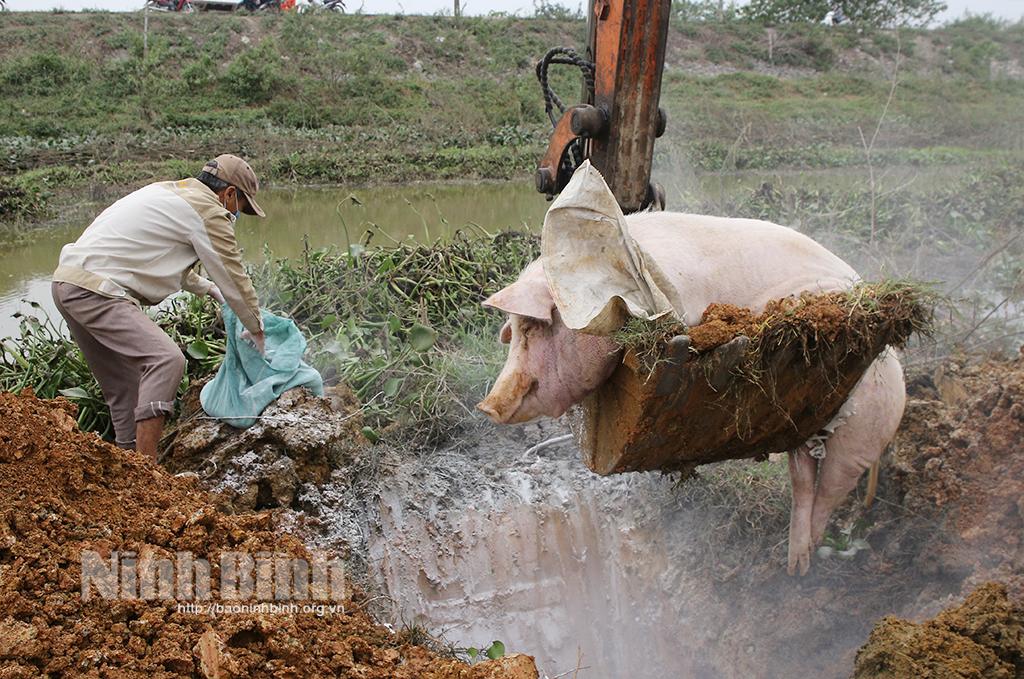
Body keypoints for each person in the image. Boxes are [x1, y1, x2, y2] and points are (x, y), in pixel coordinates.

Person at [51, 154, 266, 462]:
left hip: (67, 284)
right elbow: (232, 271)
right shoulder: (208, 209)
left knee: (124, 387)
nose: (237, 216)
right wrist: (256, 327)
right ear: (230, 194)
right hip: (98, 291)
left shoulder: (170, 192)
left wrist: (209, 288)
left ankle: (129, 468)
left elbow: (159, 254)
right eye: (242, 208)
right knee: (167, 360)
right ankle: (149, 472)